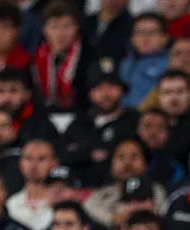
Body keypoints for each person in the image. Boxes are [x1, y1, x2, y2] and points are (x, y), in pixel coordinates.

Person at [62, 58, 139, 187]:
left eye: (111, 86)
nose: (105, 94)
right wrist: (89, 154)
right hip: (77, 188)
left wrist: (82, 153)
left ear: (122, 90)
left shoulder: (134, 121)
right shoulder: (79, 123)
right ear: (90, 93)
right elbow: (63, 155)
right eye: (99, 88)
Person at [33, 1, 96, 112]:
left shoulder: (91, 57)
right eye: (54, 26)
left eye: (67, 26)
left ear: (77, 28)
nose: (60, 33)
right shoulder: (36, 58)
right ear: (44, 30)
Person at [6, 139, 59, 230]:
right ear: (20, 163)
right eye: (28, 158)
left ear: (54, 163)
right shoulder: (11, 204)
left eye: (41, 159)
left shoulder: (61, 203)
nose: (34, 165)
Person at [120, 13, 171, 109]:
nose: (145, 38)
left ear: (165, 38)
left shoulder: (171, 63)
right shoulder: (125, 63)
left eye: (152, 33)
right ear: (132, 38)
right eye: (139, 32)